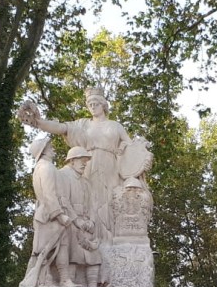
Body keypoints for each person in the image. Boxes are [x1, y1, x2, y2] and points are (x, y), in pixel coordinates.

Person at [18, 88, 132, 242]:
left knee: (110, 201)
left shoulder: (115, 126)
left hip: (111, 166)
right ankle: (91, 239)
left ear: (103, 105)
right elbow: (61, 128)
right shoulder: (83, 125)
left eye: (95, 103)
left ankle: (110, 240)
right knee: (89, 201)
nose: (92, 106)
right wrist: (38, 122)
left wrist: (125, 147)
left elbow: (130, 146)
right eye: (89, 104)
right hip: (88, 165)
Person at [20, 137, 76, 287]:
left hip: (50, 213)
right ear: (43, 150)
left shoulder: (44, 167)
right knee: (46, 251)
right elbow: (49, 194)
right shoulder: (46, 167)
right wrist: (59, 215)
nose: (53, 149)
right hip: (49, 216)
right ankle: (43, 280)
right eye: (50, 147)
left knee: (61, 246)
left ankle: (63, 279)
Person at [57, 146, 102, 287]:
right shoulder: (62, 176)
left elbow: (93, 204)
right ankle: (69, 285)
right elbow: (63, 201)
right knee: (73, 254)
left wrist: (92, 222)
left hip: (86, 224)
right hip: (71, 223)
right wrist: (77, 220)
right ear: (72, 161)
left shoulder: (85, 182)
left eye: (86, 161)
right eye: (82, 160)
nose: (84, 164)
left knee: (94, 256)